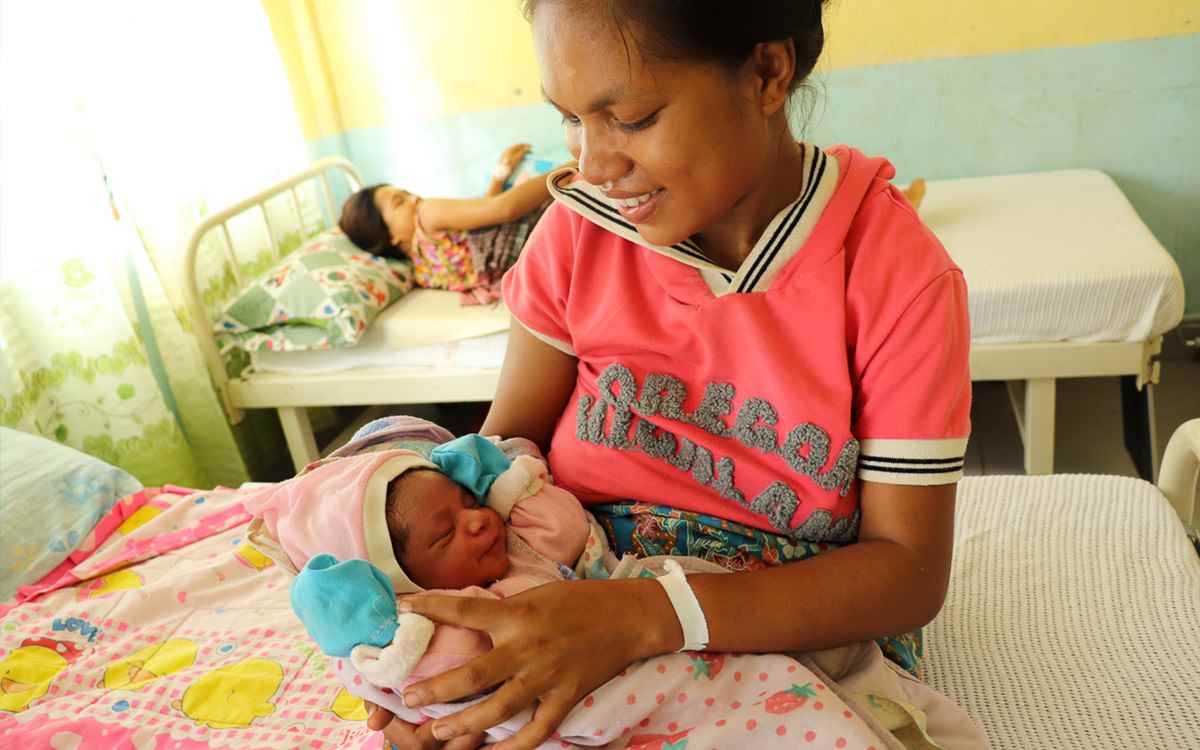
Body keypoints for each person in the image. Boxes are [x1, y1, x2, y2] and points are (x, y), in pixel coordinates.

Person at [367, 2, 980, 749]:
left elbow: (908, 574)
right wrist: (436, 645)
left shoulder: (895, 276)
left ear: (766, 71)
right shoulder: (577, 234)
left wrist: (647, 615)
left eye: (629, 117)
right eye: (570, 119)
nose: (591, 165)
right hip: (573, 580)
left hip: (792, 618)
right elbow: (504, 453)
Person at [338, 144, 574, 304]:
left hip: (538, 253)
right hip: (541, 231)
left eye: (406, 192)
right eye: (399, 202)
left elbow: (486, 214)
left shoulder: (423, 272)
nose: (414, 199)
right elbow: (503, 209)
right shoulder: (426, 214)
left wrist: (500, 174)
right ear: (389, 236)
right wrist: (571, 168)